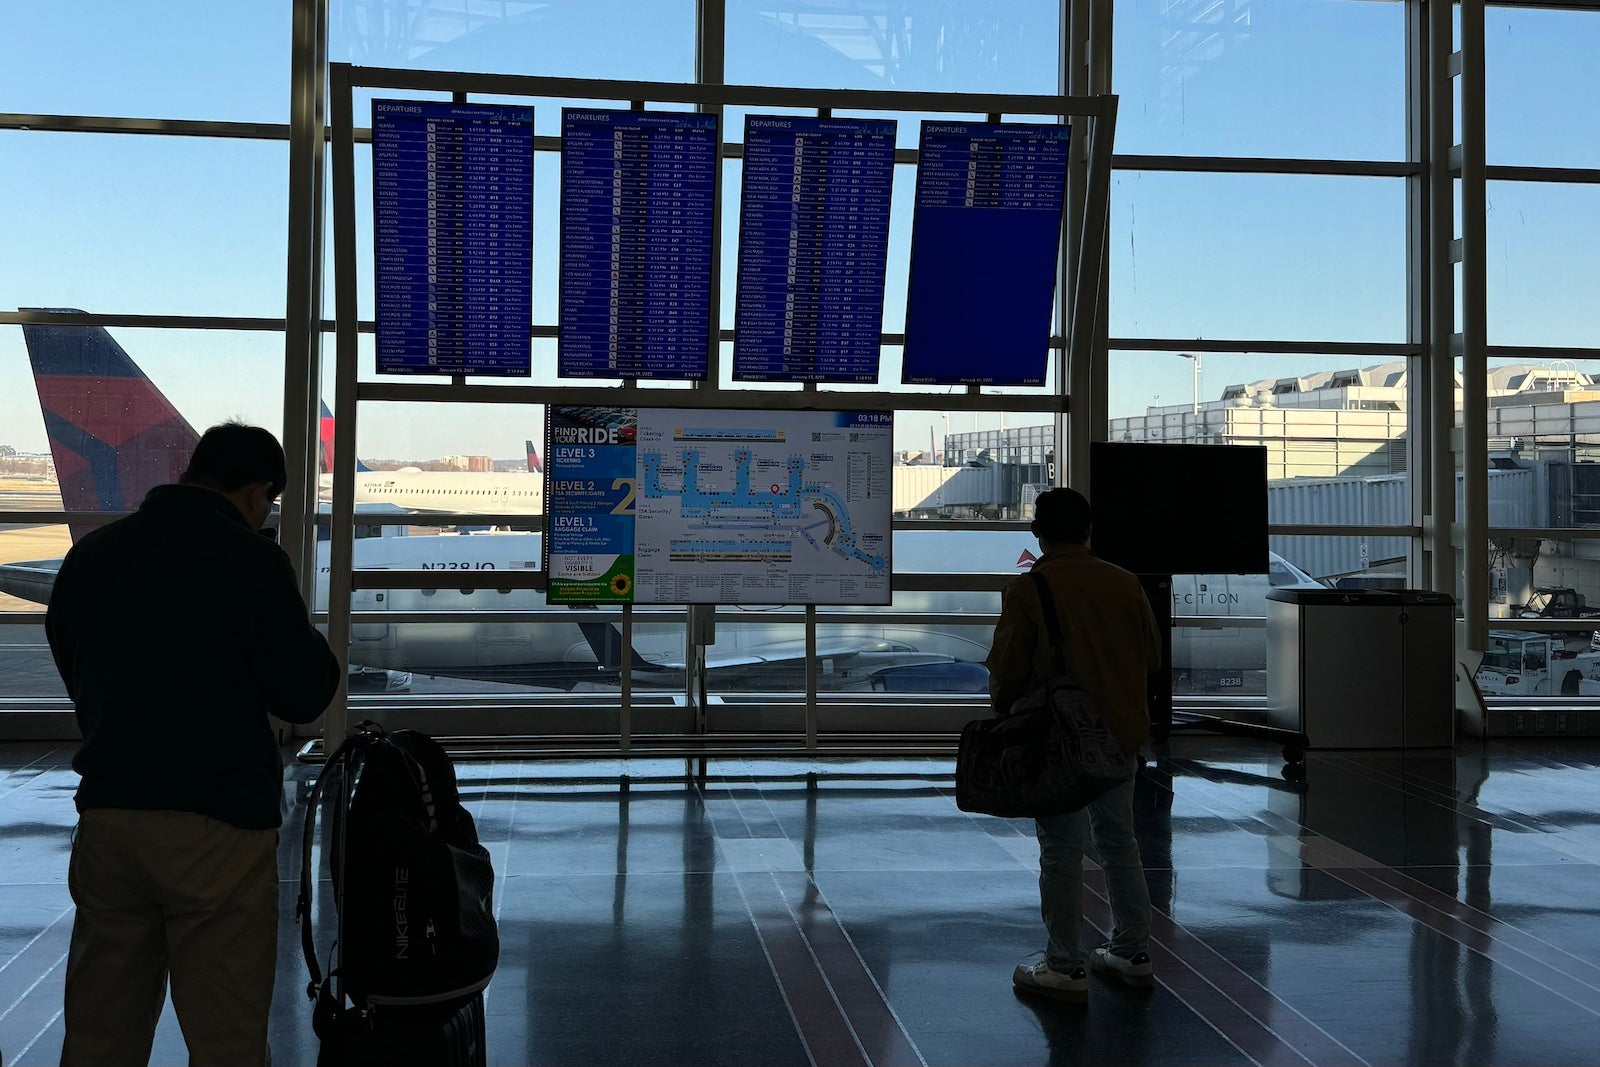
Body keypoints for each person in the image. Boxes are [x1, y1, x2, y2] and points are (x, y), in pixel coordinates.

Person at [46, 422, 340, 1066]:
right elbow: (304, 693)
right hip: (217, 826)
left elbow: (74, 668)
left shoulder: (93, 556)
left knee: (100, 1032)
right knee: (225, 1036)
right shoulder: (253, 562)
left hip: (111, 819)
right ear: (259, 491)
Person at [985, 487, 1162, 1004]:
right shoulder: (1126, 584)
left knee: (1062, 851)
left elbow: (1008, 671)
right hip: (1120, 738)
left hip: (1060, 744)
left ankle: (1064, 965)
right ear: (1089, 532)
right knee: (1118, 842)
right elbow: (1150, 659)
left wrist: (1005, 716)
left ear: (1037, 533)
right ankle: (1132, 953)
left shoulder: (1028, 591)